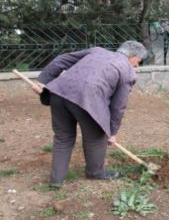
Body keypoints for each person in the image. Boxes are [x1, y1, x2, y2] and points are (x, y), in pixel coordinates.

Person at [33, 41, 147, 188]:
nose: (137, 66)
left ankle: (56, 180)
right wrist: (111, 132)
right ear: (132, 56)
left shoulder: (97, 51)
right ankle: (95, 172)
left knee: (63, 137)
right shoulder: (128, 72)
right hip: (86, 99)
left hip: (59, 92)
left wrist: (43, 81)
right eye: (138, 61)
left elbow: (61, 60)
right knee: (97, 137)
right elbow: (118, 106)